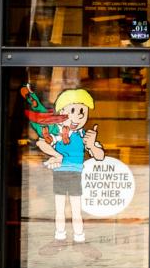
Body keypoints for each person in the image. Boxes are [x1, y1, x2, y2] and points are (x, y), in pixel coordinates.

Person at [30, 86, 108, 243]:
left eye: (82, 112)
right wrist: (56, 155)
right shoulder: (57, 134)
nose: (77, 117)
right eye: (72, 111)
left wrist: (92, 146)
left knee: (76, 209)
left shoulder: (83, 135)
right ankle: (60, 235)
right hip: (59, 173)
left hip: (75, 175)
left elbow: (100, 156)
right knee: (59, 209)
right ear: (61, 113)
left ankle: (79, 237)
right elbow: (41, 143)